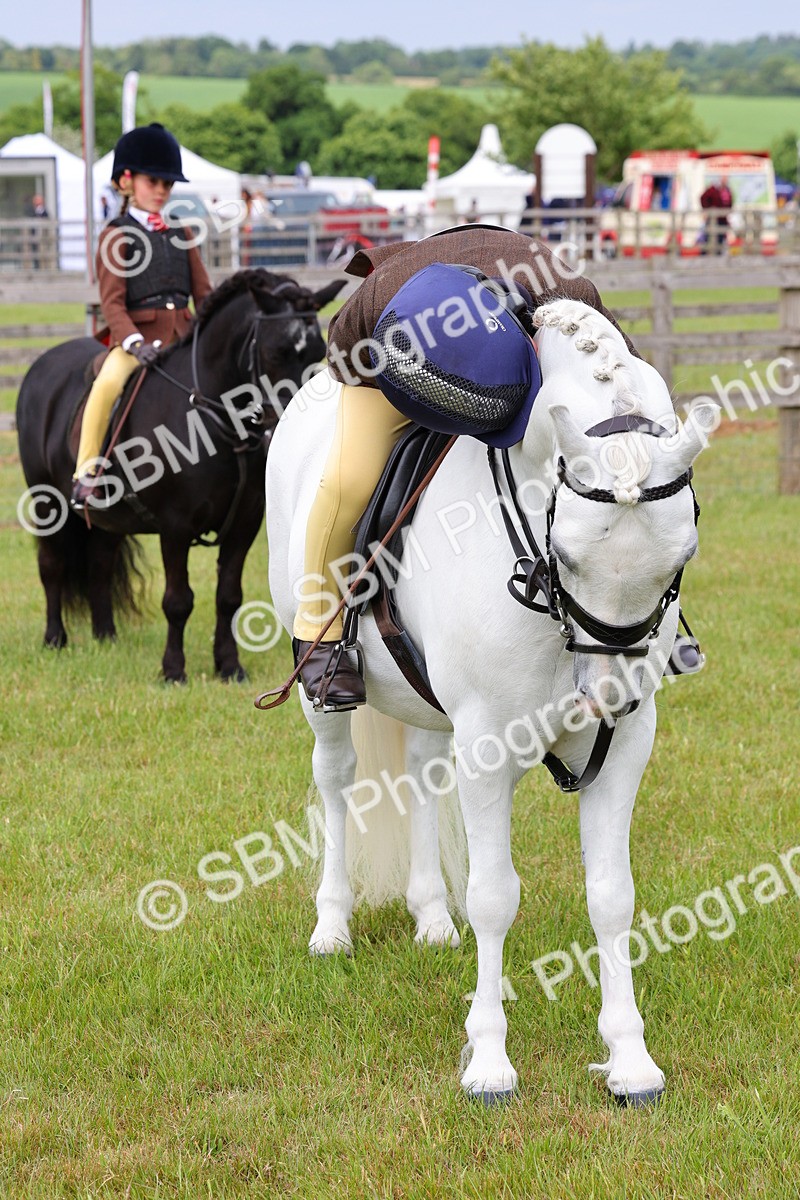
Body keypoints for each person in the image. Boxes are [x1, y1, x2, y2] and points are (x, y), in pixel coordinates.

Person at [291, 226, 643, 710]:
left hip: (522, 344)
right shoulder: (372, 310)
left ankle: (647, 625)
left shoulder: (573, 299)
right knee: (347, 481)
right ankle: (320, 634)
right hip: (392, 355)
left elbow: (630, 397)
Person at [71, 123, 213, 509]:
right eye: (155, 181)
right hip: (137, 340)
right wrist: (134, 343)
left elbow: (204, 295)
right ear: (127, 181)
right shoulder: (116, 235)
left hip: (184, 336)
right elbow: (112, 303)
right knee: (107, 384)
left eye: (168, 184)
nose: (163, 191)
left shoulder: (181, 233)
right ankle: (87, 473)